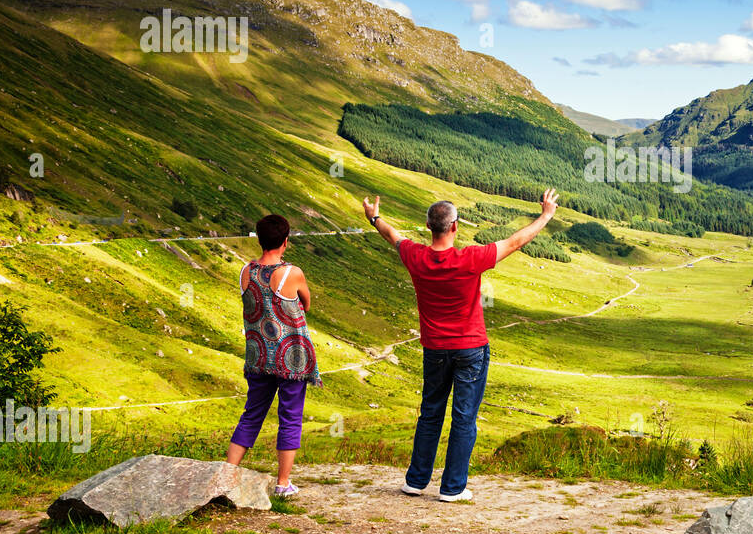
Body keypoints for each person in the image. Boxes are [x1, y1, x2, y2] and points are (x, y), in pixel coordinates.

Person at [363, 189, 558, 501]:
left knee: (430, 413)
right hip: (471, 349)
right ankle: (452, 487)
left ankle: (415, 481)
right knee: (464, 416)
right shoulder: (471, 259)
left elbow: (392, 236)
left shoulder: (416, 256)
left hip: (434, 349)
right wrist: (546, 215)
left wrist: (374, 217)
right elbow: (515, 242)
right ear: (454, 227)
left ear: (429, 227)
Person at [225, 214, 321, 498]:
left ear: (259, 239)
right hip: (291, 358)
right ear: (285, 241)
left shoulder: (246, 271)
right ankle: (282, 484)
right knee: (290, 416)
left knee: (251, 414)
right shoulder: (292, 273)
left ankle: (226, 475)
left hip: (258, 355)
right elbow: (306, 302)